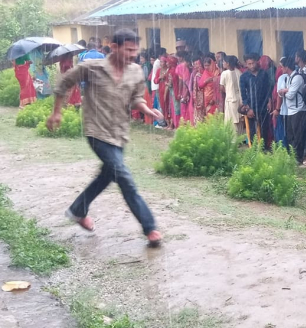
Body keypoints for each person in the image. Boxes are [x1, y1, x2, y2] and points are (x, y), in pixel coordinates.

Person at [49, 29, 164, 247]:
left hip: (119, 133)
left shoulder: (136, 71)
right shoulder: (92, 68)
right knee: (124, 178)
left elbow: (136, 98)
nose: (132, 55)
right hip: (97, 132)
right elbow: (63, 84)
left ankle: (77, 210)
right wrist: (56, 112)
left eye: (135, 50)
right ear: (114, 47)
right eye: (128, 50)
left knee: (107, 175)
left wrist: (147, 110)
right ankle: (150, 227)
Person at [277, 57, 306, 162]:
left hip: (298, 110)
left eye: (282, 67)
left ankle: (298, 157)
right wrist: (285, 90)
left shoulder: (297, 78)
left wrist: (285, 90)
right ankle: (292, 155)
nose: (281, 69)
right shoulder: (287, 78)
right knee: (290, 135)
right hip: (289, 110)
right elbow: (280, 93)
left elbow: (290, 95)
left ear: (286, 67)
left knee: (298, 135)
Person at [240, 54, 273, 149]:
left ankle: (264, 149)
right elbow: (243, 94)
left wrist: (269, 101)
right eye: (249, 64)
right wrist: (248, 108)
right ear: (246, 64)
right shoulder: (244, 77)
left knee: (264, 128)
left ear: (256, 62)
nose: (251, 66)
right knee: (252, 129)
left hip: (263, 105)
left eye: (253, 63)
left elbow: (268, 89)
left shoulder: (263, 74)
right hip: (251, 106)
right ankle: (254, 150)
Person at [220, 56, 242, 132]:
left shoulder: (224, 73)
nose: (222, 63)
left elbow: (221, 88)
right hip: (239, 99)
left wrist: (228, 91)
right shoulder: (239, 72)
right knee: (238, 119)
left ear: (228, 63)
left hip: (230, 99)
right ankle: (240, 138)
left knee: (231, 121)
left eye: (224, 62)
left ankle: (233, 140)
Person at [190, 58, 206, 123]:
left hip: (205, 96)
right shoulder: (197, 75)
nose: (198, 67)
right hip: (199, 97)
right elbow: (196, 88)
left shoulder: (205, 74)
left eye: (199, 66)